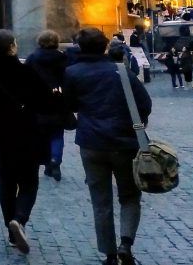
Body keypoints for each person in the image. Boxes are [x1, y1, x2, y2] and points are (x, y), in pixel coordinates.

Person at [63, 27, 151, 265]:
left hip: (92, 143)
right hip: (124, 142)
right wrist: (136, 124)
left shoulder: (72, 73)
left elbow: (68, 105)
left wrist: (76, 121)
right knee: (130, 196)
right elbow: (144, 103)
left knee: (100, 200)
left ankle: (109, 254)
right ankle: (126, 244)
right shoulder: (121, 71)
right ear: (104, 47)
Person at [0, 29, 52, 255]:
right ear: (13, 47)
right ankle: (19, 219)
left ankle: (11, 230)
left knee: (6, 184)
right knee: (29, 183)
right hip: (28, 136)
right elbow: (46, 104)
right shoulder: (28, 72)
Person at [26, 29, 70, 181]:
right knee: (57, 135)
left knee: (42, 134)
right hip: (57, 101)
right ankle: (54, 161)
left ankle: (45, 162)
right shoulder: (63, 58)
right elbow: (68, 79)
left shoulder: (32, 58)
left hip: (38, 102)